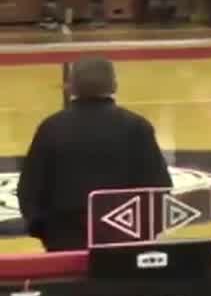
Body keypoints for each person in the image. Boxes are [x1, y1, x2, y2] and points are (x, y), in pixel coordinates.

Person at [20, 59, 170, 252]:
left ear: (70, 88)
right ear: (114, 85)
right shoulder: (137, 126)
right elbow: (158, 186)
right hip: (125, 235)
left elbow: (30, 188)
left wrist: (46, 232)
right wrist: (146, 232)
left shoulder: (50, 128)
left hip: (64, 239)